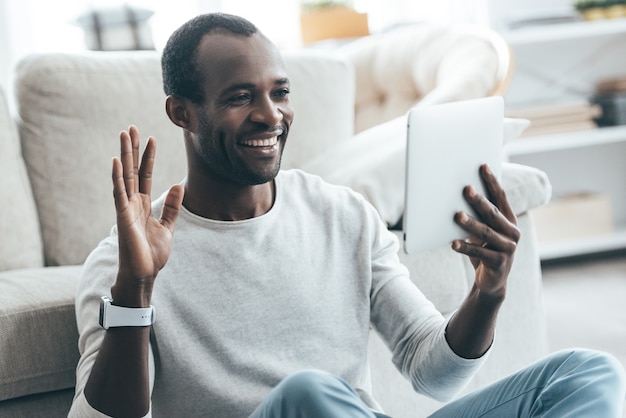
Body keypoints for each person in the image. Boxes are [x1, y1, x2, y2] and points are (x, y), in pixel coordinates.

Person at [69, 12, 626, 418]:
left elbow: (433, 374)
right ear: (181, 112)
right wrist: (137, 292)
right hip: (306, 406)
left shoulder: (340, 214)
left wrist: (488, 292)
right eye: (241, 97)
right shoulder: (126, 261)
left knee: (585, 371)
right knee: (306, 394)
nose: (271, 116)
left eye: (280, 92)